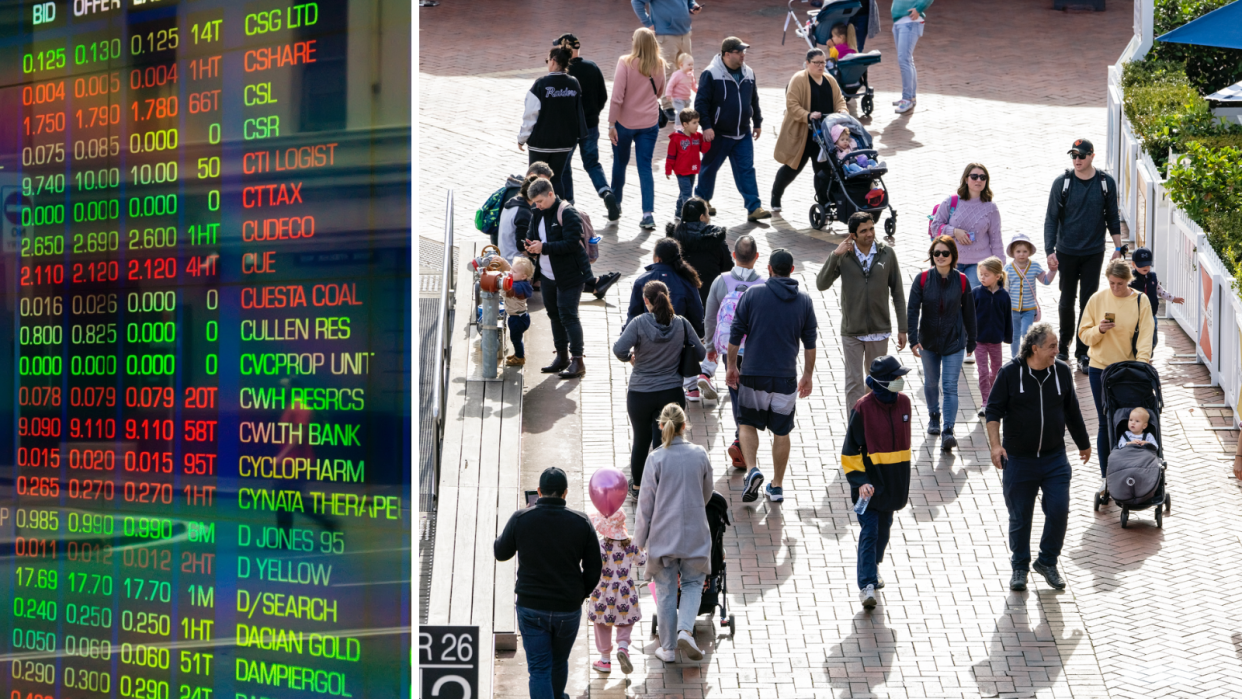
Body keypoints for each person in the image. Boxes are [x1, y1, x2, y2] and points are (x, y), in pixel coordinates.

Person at [985, 323, 1091, 592]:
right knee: (1021, 517)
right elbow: (993, 412)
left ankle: (1047, 561)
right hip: (1019, 460)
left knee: (1059, 511)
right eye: (1052, 346)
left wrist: (1084, 444)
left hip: (1054, 458)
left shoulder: (1062, 372)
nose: (1058, 350)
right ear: (1035, 348)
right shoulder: (1010, 373)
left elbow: (1072, 411)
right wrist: (996, 447)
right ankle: (1019, 567)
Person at [494, 467, 603, 699]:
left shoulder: (521, 518)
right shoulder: (581, 522)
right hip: (567, 608)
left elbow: (500, 552)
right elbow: (594, 568)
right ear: (565, 493)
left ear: (539, 491)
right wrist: (579, 594)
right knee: (559, 660)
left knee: (539, 669)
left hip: (531, 607)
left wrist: (520, 519)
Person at [726, 249, 818, 503]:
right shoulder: (804, 301)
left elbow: (735, 334)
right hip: (786, 377)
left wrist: (731, 366)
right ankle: (776, 486)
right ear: (792, 269)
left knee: (746, 423)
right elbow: (810, 344)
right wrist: (807, 375)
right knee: (782, 432)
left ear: (769, 269)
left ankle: (752, 468)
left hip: (754, 373)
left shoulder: (753, 294)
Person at [633, 403, 714, 665]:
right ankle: (686, 631)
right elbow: (707, 493)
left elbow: (645, 508)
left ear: (661, 426)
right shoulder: (700, 454)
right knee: (692, 584)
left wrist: (638, 545)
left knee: (666, 591)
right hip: (694, 533)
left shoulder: (655, 458)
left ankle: (667, 649)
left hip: (663, 536)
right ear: (684, 425)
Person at [614, 280, 706, 498]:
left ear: (646, 301)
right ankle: (662, 487)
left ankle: (637, 487)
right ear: (667, 297)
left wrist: (630, 358)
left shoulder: (638, 323)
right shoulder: (682, 324)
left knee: (641, 440)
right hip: (671, 393)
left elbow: (619, 349)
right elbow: (701, 353)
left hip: (639, 394)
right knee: (664, 443)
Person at [1043, 138, 1122, 372]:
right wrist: (1050, 251)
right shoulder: (1063, 183)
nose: (1077, 160)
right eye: (1073, 156)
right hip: (1066, 251)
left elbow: (1113, 217)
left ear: (1092, 156)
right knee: (1066, 301)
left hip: (1093, 252)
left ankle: (1083, 351)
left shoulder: (1106, 183)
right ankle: (1064, 345)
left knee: (1089, 302)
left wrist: (1118, 248)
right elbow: (1051, 218)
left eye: (1081, 156)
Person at [840, 356, 912, 609]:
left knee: (884, 530)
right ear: (882, 382)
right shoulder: (863, 408)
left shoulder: (905, 403)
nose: (900, 381)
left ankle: (874, 566)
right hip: (868, 488)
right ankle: (867, 584)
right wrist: (860, 481)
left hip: (893, 487)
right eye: (896, 378)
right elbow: (850, 450)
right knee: (870, 532)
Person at [816, 212, 908, 411]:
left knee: (875, 382)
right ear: (853, 235)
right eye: (863, 231)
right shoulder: (844, 256)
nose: (869, 234)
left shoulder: (887, 253)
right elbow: (821, 284)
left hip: (879, 329)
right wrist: (835, 255)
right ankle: (854, 430)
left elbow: (898, 292)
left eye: (871, 228)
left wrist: (903, 327)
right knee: (854, 382)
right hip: (852, 330)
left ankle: (872, 427)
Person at [1077, 259, 1154, 493]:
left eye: (1119, 283)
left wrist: (1141, 366)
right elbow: (1083, 335)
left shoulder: (1141, 301)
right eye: (1111, 283)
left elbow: (1145, 337)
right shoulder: (1097, 299)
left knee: (1127, 422)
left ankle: (1130, 472)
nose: (1115, 288)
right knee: (1104, 422)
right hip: (1100, 368)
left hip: (1128, 371)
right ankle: (1106, 477)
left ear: (1128, 280)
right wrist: (1098, 330)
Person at [908, 236, 977, 451]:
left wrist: (971, 340)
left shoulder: (963, 280)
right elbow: (912, 310)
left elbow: (969, 312)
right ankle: (933, 416)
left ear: (953, 256)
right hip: (928, 342)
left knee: (949, 387)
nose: (940, 257)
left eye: (945, 253)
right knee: (930, 383)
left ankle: (948, 430)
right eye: (936, 253)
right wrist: (913, 339)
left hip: (954, 342)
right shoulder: (922, 279)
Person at [694, 37, 771, 223]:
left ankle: (754, 207)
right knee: (709, 169)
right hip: (717, 133)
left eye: (744, 51)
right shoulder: (711, 74)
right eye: (739, 52)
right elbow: (700, 103)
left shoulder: (749, 73)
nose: (743, 55)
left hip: (742, 133)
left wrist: (757, 122)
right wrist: (706, 126)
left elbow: (754, 100)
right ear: (727, 54)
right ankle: (702, 201)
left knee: (746, 169)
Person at [701, 235, 762, 463]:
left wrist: (710, 348)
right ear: (756, 257)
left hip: (730, 351)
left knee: (736, 392)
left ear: (734, 256)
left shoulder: (721, 281)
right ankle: (743, 440)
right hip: (756, 352)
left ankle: (740, 437)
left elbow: (709, 317)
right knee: (752, 394)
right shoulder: (764, 284)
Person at [524, 178, 593, 378]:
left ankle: (577, 360)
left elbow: (572, 243)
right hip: (547, 276)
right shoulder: (537, 213)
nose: (537, 206)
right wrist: (530, 246)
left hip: (570, 275)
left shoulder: (568, 212)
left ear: (551, 194)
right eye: (535, 202)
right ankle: (561, 356)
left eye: (540, 201)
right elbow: (531, 234)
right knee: (554, 315)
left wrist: (543, 247)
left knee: (568, 315)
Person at [667, 198, 730, 401]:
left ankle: (691, 387)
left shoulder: (674, 237)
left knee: (685, 339)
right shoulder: (715, 238)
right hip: (710, 297)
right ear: (702, 216)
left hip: (680, 297)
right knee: (711, 337)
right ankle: (706, 372)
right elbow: (727, 267)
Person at [770, 48, 847, 214]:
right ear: (807, 63)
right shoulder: (798, 80)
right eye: (816, 63)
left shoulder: (829, 80)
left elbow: (839, 100)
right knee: (792, 168)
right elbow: (792, 105)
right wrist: (808, 115)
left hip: (823, 135)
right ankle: (776, 195)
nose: (820, 66)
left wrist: (842, 110)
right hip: (803, 135)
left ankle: (824, 203)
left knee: (823, 171)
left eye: (823, 62)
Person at [554, 34, 621, 220]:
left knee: (565, 165)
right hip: (591, 125)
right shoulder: (592, 67)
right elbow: (603, 96)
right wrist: (593, 114)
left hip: (569, 128)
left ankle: (569, 205)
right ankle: (606, 192)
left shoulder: (563, 71)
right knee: (592, 162)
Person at [608, 28, 667, 230]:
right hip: (649, 123)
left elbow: (617, 97)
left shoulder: (625, 62)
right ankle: (648, 213)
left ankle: (615, 205)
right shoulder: (659, 64)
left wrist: (611, 124)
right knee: (645, 167)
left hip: (624, 123)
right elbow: (660, 92)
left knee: (620, 163)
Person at [518, 47, 588, 200]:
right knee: (556, 179)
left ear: (554, 61)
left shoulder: (541, 84)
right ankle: (558, 213)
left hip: (541, 142)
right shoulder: (573, 83)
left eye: (548, 60)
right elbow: (577, 111)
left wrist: (522, 138)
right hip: (564, 143)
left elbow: (530, 115)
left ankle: (535, 215)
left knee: (535, 179)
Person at [587, 509, 646, 675]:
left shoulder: (601, 545)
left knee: (602, 623)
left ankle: (605, 660)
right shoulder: (631, 542)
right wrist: (645, 552)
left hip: (604, 590)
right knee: (626, 620)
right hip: (625, 588)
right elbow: (642, 561)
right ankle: (623, 647)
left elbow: (593, 566)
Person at [928, 163, 1003, 289]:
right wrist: (954, 231)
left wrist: (1000, 268)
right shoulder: (950, 202)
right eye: (974, 176)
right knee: (951, 301)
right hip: (950, 261)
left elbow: (996, 240)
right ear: (966, 179)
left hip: (979, 264)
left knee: (972, 300)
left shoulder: (991, 208)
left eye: (982, 177)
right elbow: (935, 227)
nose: (978, 180)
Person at [630, 0, 702, 121]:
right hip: (666, 36)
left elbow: (689, 1)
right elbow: (636, 1)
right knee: (668, 71)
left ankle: (682, 103)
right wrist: (647, 23)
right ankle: (667, 107)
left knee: (686, 70)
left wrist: (693, 6)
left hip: (685, 34)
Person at [625, 237, 705, 337]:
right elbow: (697, 316)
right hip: (678, 341)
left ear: (658, 258)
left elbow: (633, 315)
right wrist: (699, 336)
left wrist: (626, 338)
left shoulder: (642, 281)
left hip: (647, 341)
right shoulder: (688, 281)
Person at [1003, 233, 1058, 359]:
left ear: (1029, 252)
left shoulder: (1034, 266)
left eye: (1024, 251)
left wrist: (1053, 271)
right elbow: (1005, 289)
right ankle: (1014, 358)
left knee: (1026, 333)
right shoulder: (1008, 268)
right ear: (1012, 252)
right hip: (1013, 309)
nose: (1021, 254)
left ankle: (1026, 355)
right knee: (1014, 335)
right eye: (1018, 251)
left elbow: (1046, 280)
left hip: (1029, 308)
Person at [972, 257, 1012, 415]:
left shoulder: (1004, 296)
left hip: (996, 341)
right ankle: (985, 402)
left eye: (986, 275)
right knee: (982, 370)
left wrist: (1008, 337)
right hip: (979, 340)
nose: (982, 277)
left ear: (998, 276)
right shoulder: (975, 293)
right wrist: (968, 339)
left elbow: (1008, 318)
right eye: (980, 274)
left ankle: (989, 389)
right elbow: (968, 317)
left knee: (996, 371)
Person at [1129, 246, 1184, 350]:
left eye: (1148, 264)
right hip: (1135, 313)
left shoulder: (1152, 277)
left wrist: (1173, 298)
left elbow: (1160, 291)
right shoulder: (1130, 279)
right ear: (1133, 264)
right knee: (1136, 334)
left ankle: (1150, 351)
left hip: (1151, 312)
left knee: (1153, 333)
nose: (1145, 267)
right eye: (1141, 265)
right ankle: (1136, 351)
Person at [665, 109, 711, 219]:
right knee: (687, 194)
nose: (697, 125)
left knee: (684, 192)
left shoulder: (697, 136)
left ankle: (678, 212)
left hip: (693, 169)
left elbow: (703, 150)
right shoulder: (676, 138)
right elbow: (671, 155)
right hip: (681, 171)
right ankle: (688, 216)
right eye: (694, 123)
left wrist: (707, 140)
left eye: (698, 122)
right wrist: (668, 169)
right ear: (685, 124)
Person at [891, 0, 930, 114]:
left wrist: (919, 9)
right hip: (900, 22)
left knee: (904, 60)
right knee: (907, 60)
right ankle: (910, 97)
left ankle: (907, 99)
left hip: (909, 22)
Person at [505, 257, 537, 367]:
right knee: (517, 339)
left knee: (516, 339)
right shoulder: (524, 284)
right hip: (522, 316)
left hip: (516, 318)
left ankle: (519, 358)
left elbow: (506, 290)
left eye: (514, 272)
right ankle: (518, 354)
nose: (510, 272)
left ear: (523, 276)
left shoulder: (516, 287)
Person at [666, 54, 697, 129]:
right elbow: (670, 84)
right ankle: (678, 126)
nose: (691, 67)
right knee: (680, 112)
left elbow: (693, 85)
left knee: (686, 113)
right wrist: (668, 94)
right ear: (681, 65)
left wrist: (698, 91)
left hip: (686, 99)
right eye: (689, 65)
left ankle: (684, 125)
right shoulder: (677, 75)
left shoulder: (690, 75)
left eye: (692, 65)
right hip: (677, 98)